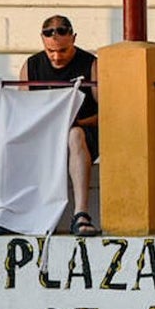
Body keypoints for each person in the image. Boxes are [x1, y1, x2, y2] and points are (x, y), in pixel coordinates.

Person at [19, 14, 100, 237]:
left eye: (63, 51)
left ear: (73, 39)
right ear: (42, 42)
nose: (56, 57)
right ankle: (4, 214)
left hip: (84, 133)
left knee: (74, 134)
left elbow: (108, 113)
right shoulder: (31, 65)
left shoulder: (90, 63)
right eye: (50, 51)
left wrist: (76, 122)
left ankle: (81, 213)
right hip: (44, 135)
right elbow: (22, 112)